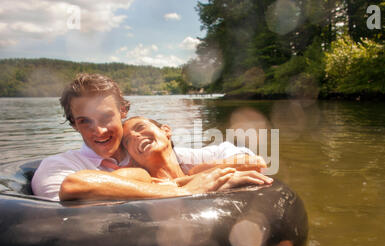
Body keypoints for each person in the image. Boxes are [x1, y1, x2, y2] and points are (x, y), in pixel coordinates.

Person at [31, 73, 268, 201]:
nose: (100, 131)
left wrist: (199, 172)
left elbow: (251, 159)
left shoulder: (156, 155)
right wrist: (181, 190)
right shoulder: (58, 167)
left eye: (106, 117)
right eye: (85, 121)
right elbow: (71, 198)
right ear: (74, 125)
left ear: (123, 112)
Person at [120, 116, 273, 190]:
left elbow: (257, 163)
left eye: (140, 127)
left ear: (166, 131)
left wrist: (196, 173)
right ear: (132, 157)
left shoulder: (197, 158)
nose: (135, 136)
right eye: (127, 141)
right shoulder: (140, 177)